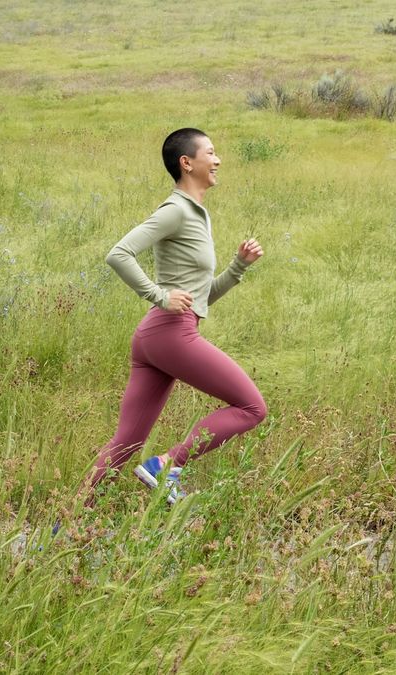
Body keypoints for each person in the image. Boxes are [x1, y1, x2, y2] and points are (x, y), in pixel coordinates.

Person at [77, 127, 267, 509]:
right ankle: (167, 466)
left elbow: (197, 298)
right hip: (169, 333)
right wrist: (158, 295)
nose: (218, 160)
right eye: (210, 152)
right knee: (252, 408)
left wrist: (238, 267)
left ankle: (62, 527)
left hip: (159, 335)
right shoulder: (176, 210)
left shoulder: (197, 214)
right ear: (187, 162)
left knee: (125, 442)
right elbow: (119, 253)